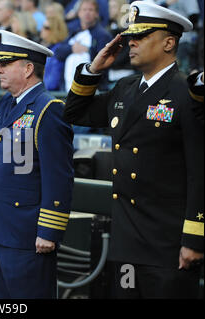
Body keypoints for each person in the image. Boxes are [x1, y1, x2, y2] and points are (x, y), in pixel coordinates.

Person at [63, 1, 204, 298]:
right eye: (131, 35)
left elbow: (199, 172)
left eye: (142, 35)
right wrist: (92, 69)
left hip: (168, 244)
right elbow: (75, 113)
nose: (132, 42)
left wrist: (194, 238)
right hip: (127, 241)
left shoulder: (186, 94)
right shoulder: (125, 88)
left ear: (168, 42)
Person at [0, 30, 74, 298]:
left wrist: (49, 231)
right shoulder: (7, 103)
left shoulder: (48, 109)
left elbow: (58, 176)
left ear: (28, 69)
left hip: (26, 234)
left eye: (5, 64)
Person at [54, 0, 112, 92]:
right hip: (67, 88)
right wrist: (72, 48)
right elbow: (58, 52)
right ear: (79, 13)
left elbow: (104, 62)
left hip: (94, 89)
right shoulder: (74, 32)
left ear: (97, 14)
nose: (87, 12)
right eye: (84, 10)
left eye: (91, 10)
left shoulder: (103, 35)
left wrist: (88, 50)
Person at [40, 12, 68, 91]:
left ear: (55, 30)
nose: (42, 30)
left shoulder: (59, 50)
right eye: (42, 26)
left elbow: (53, 82)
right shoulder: (48, 47)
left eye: (46, 27)